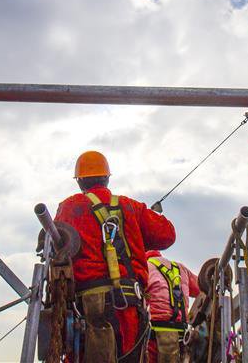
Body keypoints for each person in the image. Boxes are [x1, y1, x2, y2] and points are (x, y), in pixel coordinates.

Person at [54, 151, 176, 363]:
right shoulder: (131, 207)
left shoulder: (70, 207)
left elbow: (57, 248)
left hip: (89, 308)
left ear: (80, 181)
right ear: (107, 178)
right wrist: (135, 234)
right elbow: (167, 235)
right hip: (130, 307)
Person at [145, 251, 199, 363]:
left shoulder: (146, 267)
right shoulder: (180, 268)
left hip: (154, 335)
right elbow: (201, 287)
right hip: (180, 336)